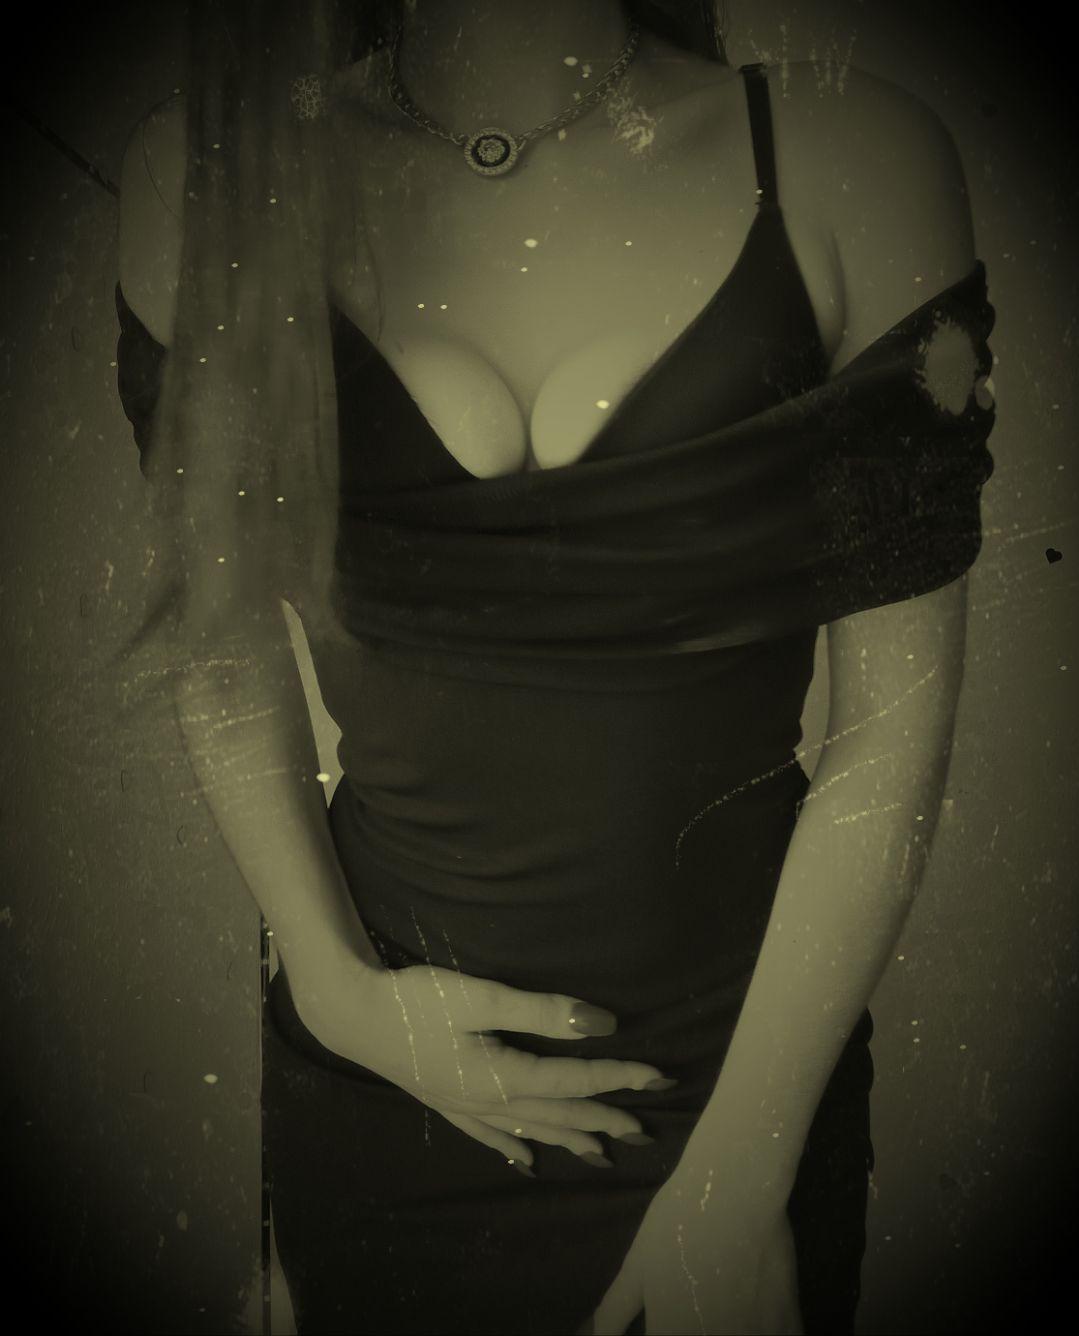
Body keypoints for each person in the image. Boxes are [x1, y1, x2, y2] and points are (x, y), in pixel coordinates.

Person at [113, 1, 996, 1333]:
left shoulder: (854, 155)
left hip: (739, 1085)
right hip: (388, 1074)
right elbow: (220, 651)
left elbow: (892, 731)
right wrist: (340, 996)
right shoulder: (208, 171)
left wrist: (740, 1178)